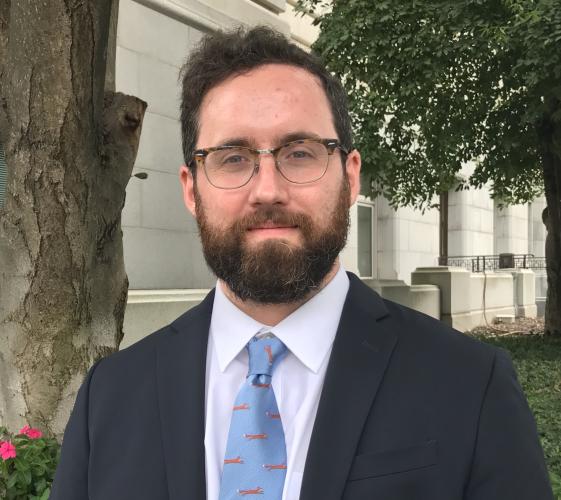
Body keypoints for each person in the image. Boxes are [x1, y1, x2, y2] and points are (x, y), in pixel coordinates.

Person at [50, 26, 553, 500]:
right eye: (232, 157)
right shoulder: (110, 398)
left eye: (300, 153)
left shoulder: (469, 384)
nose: (267, 190)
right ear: (191, 188)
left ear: (350, 176)